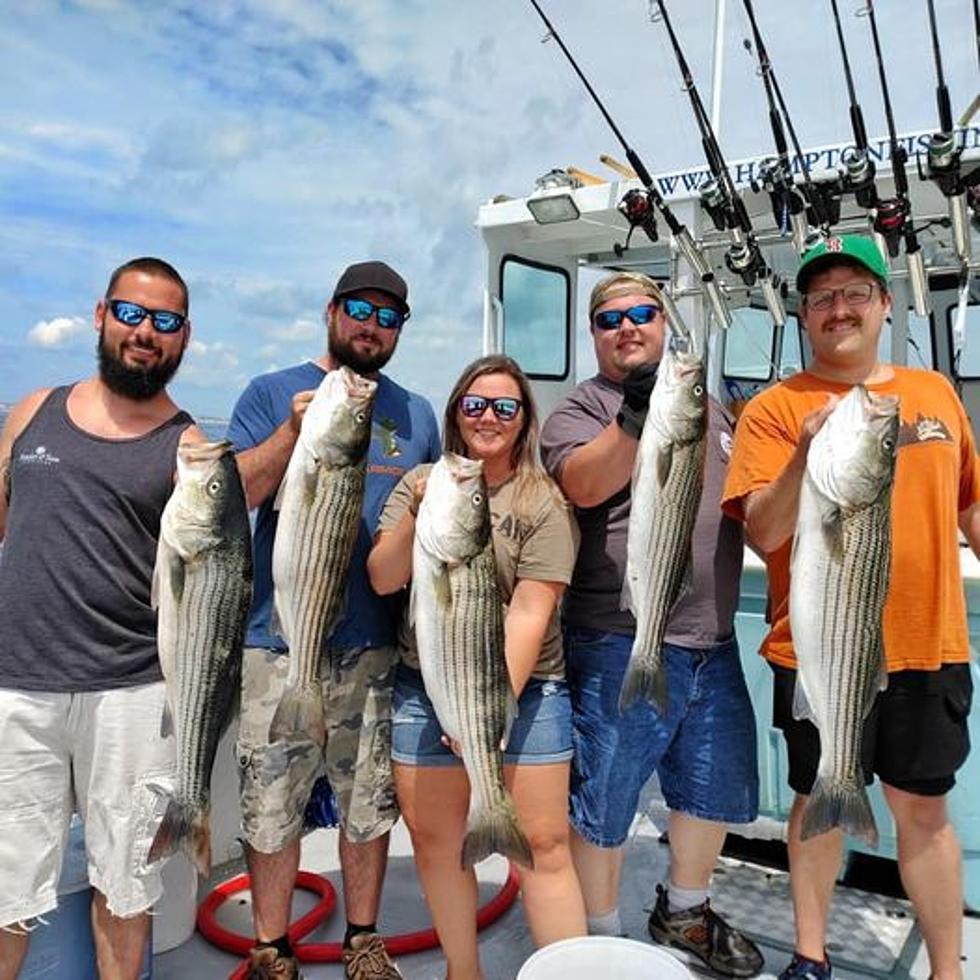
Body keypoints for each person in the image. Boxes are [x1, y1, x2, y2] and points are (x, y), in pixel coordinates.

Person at [722, 234, 980, 980]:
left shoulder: (934, 394)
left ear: (885, 303)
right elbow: (764, 528)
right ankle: (810, 955)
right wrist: (807, 452)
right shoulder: (775, 410)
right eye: (822, 297)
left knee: (923, 813)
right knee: (814, 799)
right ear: (803, 315)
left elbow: (971, 508)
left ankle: (947, 969)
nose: (839, 309)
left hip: (928, 645)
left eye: (854, 293)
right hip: (818, 650)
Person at [539, 271, 763, 978]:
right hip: (616, 636)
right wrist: (635, 418)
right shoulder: (579, 411)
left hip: (713, 641)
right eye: (610, 319)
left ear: (664, 323)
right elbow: (581, 485)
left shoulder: (713, 410)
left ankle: (686, 911)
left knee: (713, 788)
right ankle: (602, 932)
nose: (628, 327)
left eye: (642, 313)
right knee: (604, 796)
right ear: (594, 335)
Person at [229, 260, 441, 980]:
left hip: (374, 645)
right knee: (270, 802)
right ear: (330, 311)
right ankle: (271, 945)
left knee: (368, 803)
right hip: (278, 641)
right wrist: (294, 435)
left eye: (389, 317)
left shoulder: (416, 413)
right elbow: (235, 498)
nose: (372, 326)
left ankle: (362, 938)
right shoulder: (270, 393)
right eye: (360, 309)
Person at [0, 257, 203, 980]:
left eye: (166, 321)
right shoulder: (31, 411)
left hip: (129, 692)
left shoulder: (187, 447)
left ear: (184, 338)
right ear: (100, 314)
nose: (146, 333)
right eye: (132, 313)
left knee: (125, 888)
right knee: (6, 889)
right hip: (17, 687)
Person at [367, 353, 586, 980]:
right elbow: (384, 578)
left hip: (528, 689)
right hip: (424, 685)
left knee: (543, 846)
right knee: (437, 844)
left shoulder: (544, 501)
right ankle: (464, 972)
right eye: (475, 404)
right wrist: (422, 509)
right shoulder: (420, 484)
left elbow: (530, 610)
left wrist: (489, 713)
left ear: (523, 421)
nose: (488, 417)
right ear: (456, 411)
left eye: (504, 407)